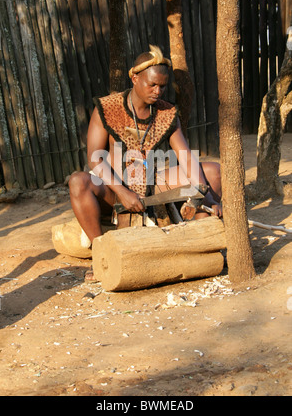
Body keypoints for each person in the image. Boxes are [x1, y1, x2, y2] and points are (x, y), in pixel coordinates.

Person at [69, 46, 222, 280]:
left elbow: (185, 156)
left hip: (152, 187)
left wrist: (207, 194)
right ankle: (100, 255)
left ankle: (202, 247)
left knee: (212, 172)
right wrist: (121, 192)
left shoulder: (166, 112)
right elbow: (94, 157)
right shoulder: (107, 108)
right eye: (152, 84)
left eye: (162, 85)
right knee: (78, 182)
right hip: (113, 188)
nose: (158, 91)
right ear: (134, 78)